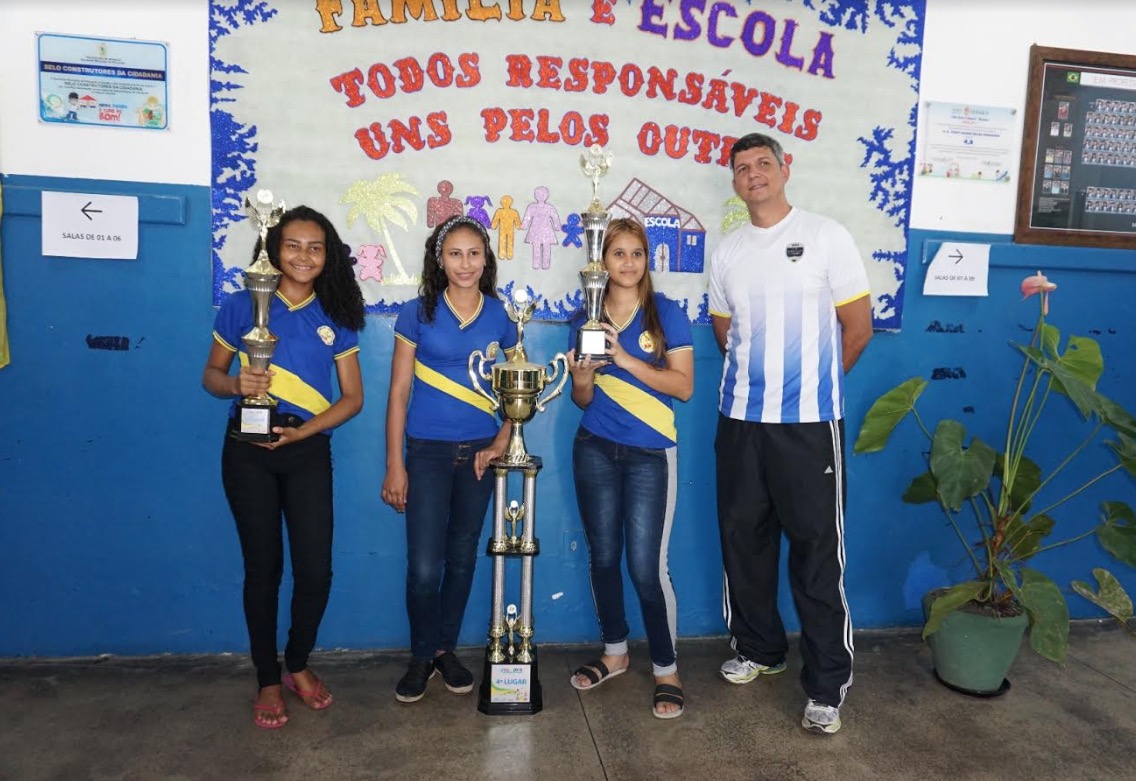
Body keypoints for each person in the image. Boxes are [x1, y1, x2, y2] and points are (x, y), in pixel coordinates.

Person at [708, 132, 872, 735]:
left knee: (815, 554)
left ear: (785, 169)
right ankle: (759, 650)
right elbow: (727, 335)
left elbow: (857, 328)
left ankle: (826, 683)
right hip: (741, 425)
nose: (754, 174)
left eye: (763, 164)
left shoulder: (828, 236)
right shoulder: (726, 252)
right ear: (734, 182)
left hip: (807, 429)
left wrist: (811, 389)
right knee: (743, 543)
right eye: (742, 168)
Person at [202, 205, 366, 729]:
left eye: (315, 247)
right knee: (263, 570)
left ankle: (297, 663)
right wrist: (236, 386)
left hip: (306, 450)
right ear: (274, 250)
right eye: (293, 245)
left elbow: (353, 399)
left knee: (316, 570)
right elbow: (211, 374)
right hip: (245, 452)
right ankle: (266, 678)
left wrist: (304, 431)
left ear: (327, 256)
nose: (303, 256)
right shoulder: (240, 305)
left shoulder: (335, 314)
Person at [381, 214, 517, 703]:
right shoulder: (417, 313)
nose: (465, 263)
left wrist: (502, 439)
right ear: (439, 260)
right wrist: (396, 464)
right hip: (427, 453)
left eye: (474, 253)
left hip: (479, 456)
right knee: (424, 567)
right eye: (454, 253)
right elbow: (398, 392)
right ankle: (420, 656)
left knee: (461, 559)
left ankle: (444, 650)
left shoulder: (502, 316)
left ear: (487, 259)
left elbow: (517, 388)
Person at [566, 218, 694, 719]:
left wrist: (623, 356)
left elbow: (683, 387)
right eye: (617, 253)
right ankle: (615, 653)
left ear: (647, 259)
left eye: (635, 253)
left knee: (646, 568)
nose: (626, 262)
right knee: (603, 557)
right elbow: (582, 400)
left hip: (650, 453)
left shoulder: (667, 314)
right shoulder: (587, 315)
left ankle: (666, 668)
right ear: (602, 260)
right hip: (594, 446)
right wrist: (581, 377)